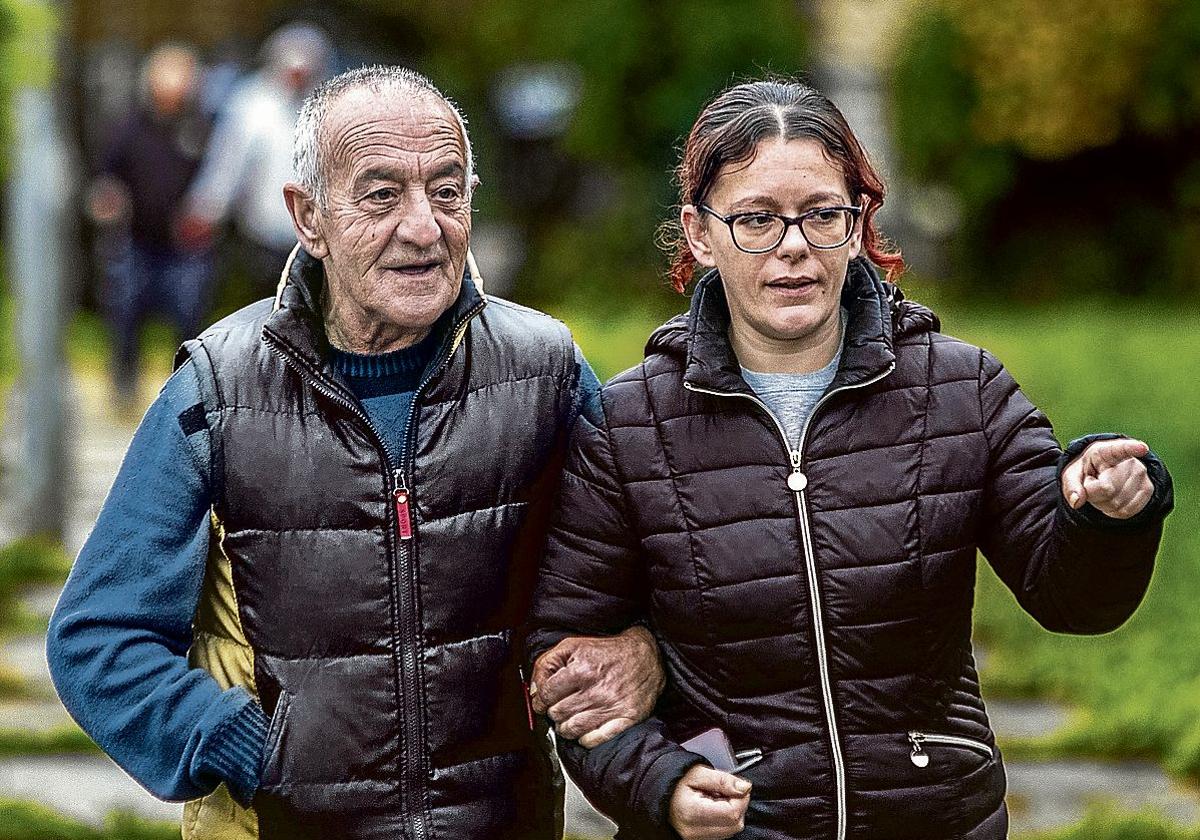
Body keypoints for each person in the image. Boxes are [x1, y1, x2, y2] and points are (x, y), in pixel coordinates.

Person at [527, 79, 1174, 840]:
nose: (794, 245)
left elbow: (1075, 600)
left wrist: (1104, 513)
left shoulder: (960, 388)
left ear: (858, 221)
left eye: (822, 216)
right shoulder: (630, 424)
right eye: (758, 220)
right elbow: (576, 671)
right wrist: (661, 784)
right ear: (700, 235)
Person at [48, 65, 664, 839]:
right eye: (381, 196)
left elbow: (662, 571)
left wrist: (643, 650)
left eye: (447, 191)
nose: (423, 226)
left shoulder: (544, 370)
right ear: (308, 218)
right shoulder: (218, 388)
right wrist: (248, 749)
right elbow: (98, 638)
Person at [87, 43, 213, 410]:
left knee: (190, 322)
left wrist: (205, 214)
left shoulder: (202, 127)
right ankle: (124, 391)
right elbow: (105, 178)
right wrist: (107, 201)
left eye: (181, 77)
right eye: (166, 76)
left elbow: (219, 178)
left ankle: (188, 398)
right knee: (124, 320)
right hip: (135, 243)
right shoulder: (127, 127)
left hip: (186, 249)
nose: (174, 85)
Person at [179, 22, 333, 299]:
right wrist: (206, 208)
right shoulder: (251, 104)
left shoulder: (331, 103)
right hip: (263, 235)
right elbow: (228, 161)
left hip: (319, 232)